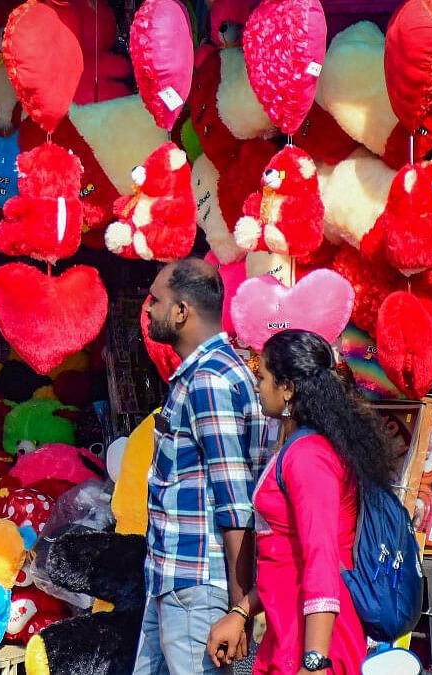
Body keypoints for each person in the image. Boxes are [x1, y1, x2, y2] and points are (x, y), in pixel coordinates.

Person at [207, 329, 396, 674]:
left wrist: (315, 660)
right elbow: (285, 556)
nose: (257, 386)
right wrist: (242, 611)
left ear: (288, 388)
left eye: (262, 377)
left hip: (314, 640)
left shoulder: (309, 457)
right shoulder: (297, 449)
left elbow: (321, 557)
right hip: (288, 630)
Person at [135, 258, 270, 675]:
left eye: (156, 300)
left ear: (182, 312)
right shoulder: (205, 374)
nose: (147, 309)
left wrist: (237, 608)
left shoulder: (210, 379)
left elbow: (235, 503)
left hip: (197, 585)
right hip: (175, 581)